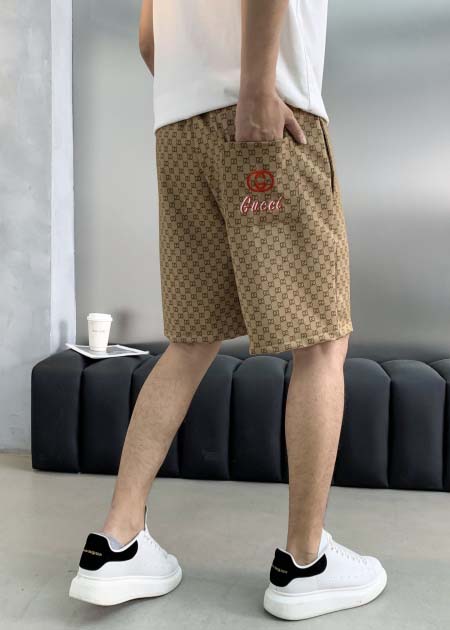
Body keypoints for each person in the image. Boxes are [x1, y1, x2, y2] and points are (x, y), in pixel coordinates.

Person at [69, 0, 387, 620]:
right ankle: (305, 563)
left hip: (179, 131)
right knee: (321, 342)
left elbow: (148, 38)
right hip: (262, 114)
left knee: (192, 341)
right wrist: (255, 88)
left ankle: (117, 543)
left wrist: (201, 89)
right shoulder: (258, 97)